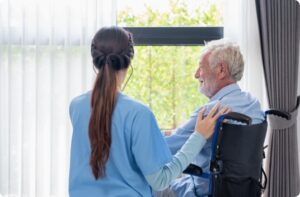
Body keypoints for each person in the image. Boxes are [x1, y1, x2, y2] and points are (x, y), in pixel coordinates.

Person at [68, 26, 229, 197]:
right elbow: (161, 180)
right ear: (130, 60)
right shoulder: (139, 113)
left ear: (95, 59)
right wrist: (199, 136)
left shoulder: (76, 106)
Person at [155, 39, 265, 197]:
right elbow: (184, 136)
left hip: (199, 192)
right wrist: (176, 133)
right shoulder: (254, 105)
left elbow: (162, 149)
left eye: (201, 67)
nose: (196, 74)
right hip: (240, 191)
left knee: (148, 185)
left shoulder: (211, 112)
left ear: (221, 70)